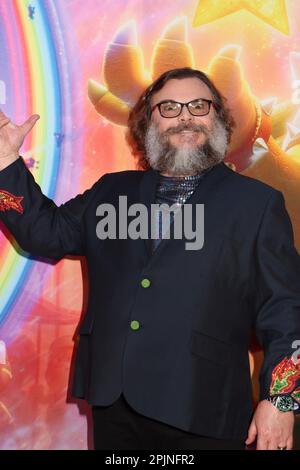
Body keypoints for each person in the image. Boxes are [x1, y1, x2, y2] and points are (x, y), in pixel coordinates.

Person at [0, 67, 300, 451]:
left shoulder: (257, 203)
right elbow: (45, 233)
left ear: (219, 118)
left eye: (198, 105)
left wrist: (280, 401)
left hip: (205, 406)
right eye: (169, 107)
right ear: (149, 123)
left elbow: (286, 309)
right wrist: (7, 162)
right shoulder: (112, 191)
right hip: (115, 402)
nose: (185, 116)